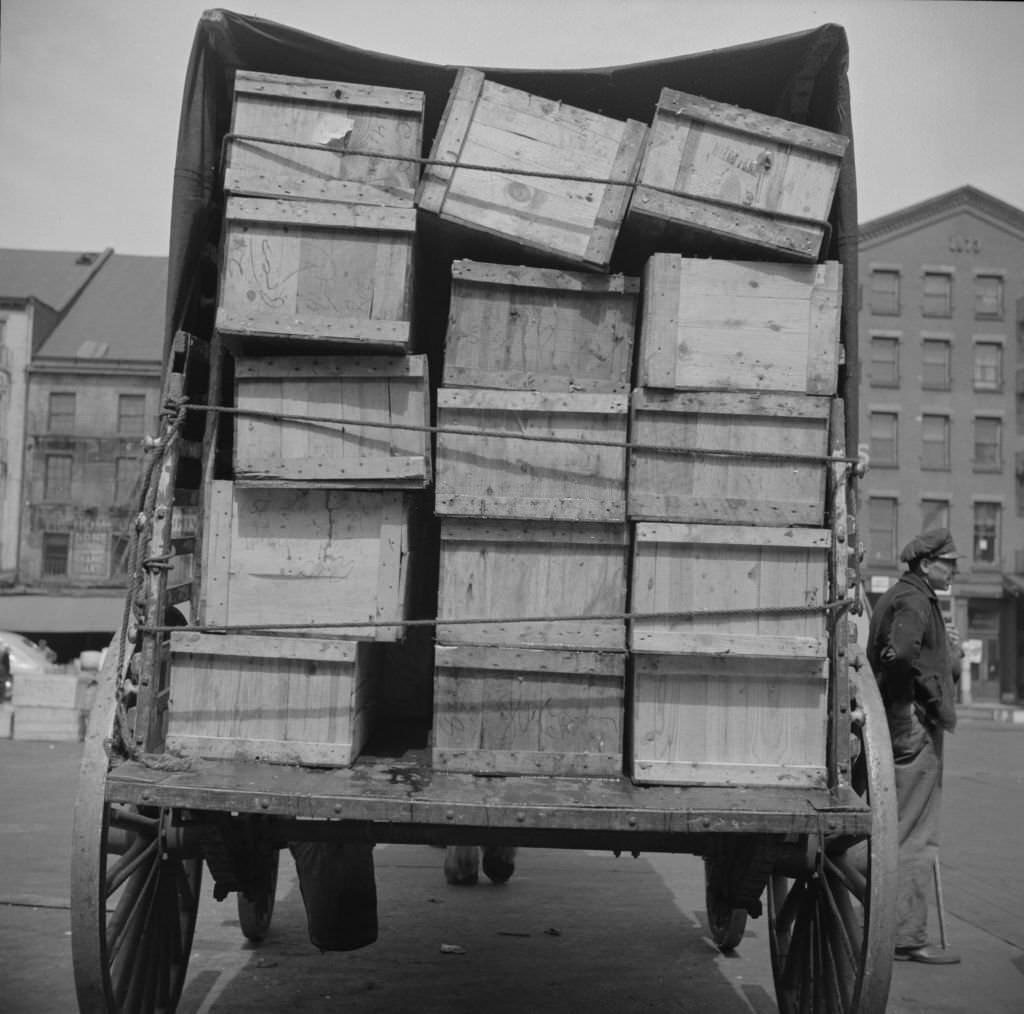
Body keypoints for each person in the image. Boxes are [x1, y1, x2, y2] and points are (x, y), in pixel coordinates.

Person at [867, 527, 962, 964]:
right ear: (927, 564)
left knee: (900, 826)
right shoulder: (915, 600)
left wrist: (949, 658)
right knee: (913, 833)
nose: (955, 571)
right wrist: (905, 712)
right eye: (949, 563)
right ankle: (905, 933)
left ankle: (890, 920)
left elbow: (912, 656)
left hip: (906, 721)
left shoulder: (907, 596)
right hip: (913, 727)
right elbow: (900, 656)